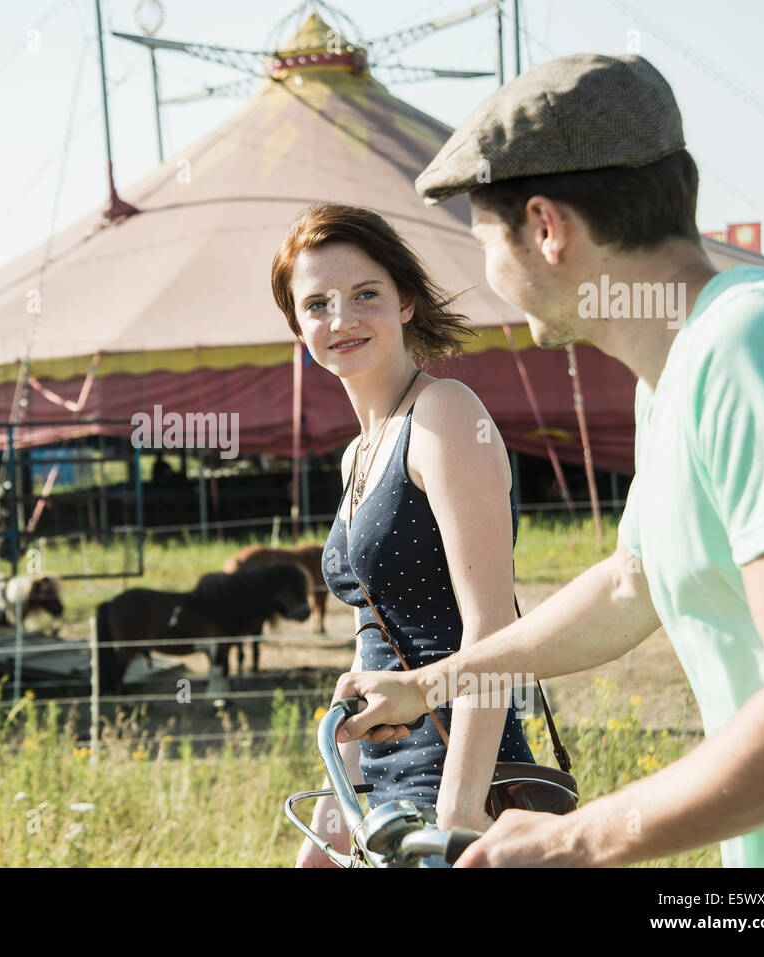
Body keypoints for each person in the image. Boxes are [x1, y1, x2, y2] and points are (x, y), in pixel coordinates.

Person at [334, 53, 764, 867]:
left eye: (484, 238)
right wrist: (432, 683)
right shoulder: (671, 379)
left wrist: (573, 838)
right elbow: (629, 583)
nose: (490, 275)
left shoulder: (752, 346)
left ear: (545, 228)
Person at [271, 202, 537, 868]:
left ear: (406, 300)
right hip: (382, 782)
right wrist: (338, 811)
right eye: (317, 304)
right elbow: (373, 638)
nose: (343, 318)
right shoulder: (357, 453)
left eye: (366, 294)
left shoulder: (444, 413)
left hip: (462, 770)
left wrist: (460, 812)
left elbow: (491, 628)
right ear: (297, 324)